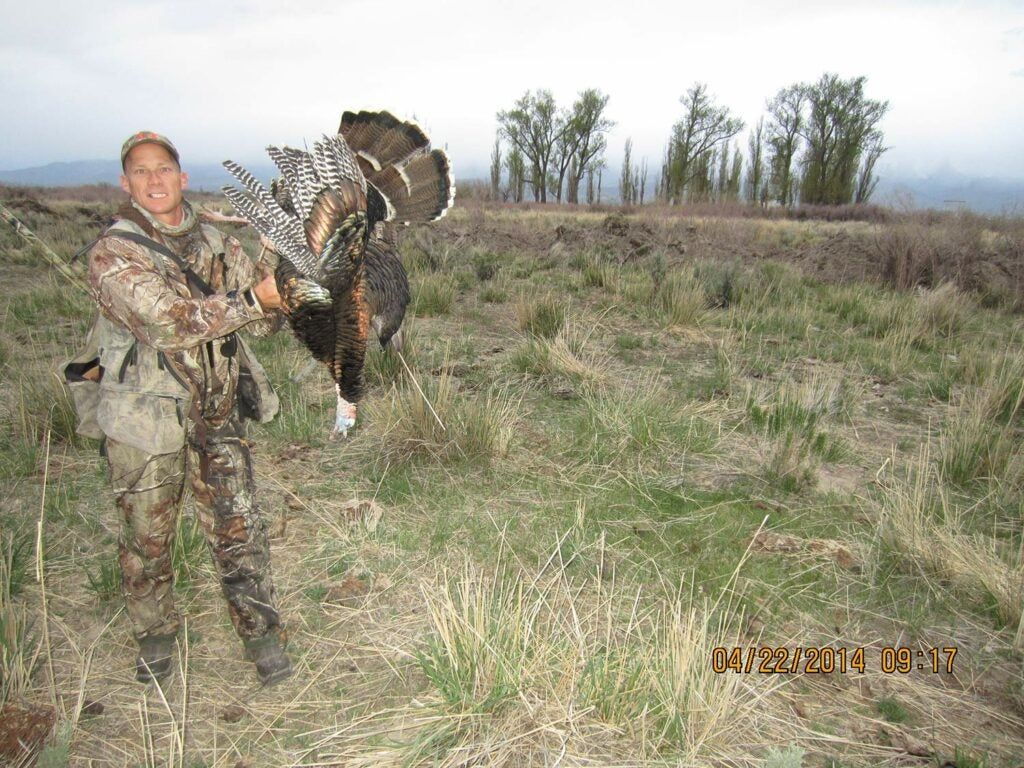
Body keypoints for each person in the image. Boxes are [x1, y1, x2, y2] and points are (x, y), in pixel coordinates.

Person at [82, 131, 291, 686]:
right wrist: (252, 300)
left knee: (240, 532)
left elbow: (266, 322)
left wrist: (279, 261)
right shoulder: (113, 253)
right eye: (141, 172)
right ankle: (154, 637)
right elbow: (169, 322)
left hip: (217, 414)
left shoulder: (221, 242)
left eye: (163, 168)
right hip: (143, 424)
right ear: (126, 184)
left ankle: (262, 637)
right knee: (147, 540)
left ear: (183, 177)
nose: (154, 180)